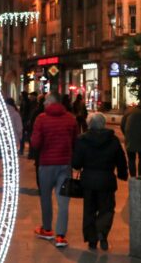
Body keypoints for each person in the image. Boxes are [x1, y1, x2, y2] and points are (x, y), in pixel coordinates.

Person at [72, 113, 128, 250]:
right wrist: (122, 174)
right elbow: (121, 160)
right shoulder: (113, 140)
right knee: (107, 209)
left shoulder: (82, 140)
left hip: (89, 181)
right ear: (104, 124)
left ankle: (92, 240)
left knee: (89, 210)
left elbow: (76, 163)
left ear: (89, 124)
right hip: (106, 180)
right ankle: (102, 232)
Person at [31, 93, 78, 248]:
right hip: (65, 164)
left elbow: (36, 143)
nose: (44, 103)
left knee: (45, 197)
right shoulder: (71, 119)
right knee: (63, 200)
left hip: (46, 164)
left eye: (46, 101)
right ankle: (60, 236)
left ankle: (47, 229)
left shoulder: (41, 119)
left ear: (51, 103)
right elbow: (75, 141)